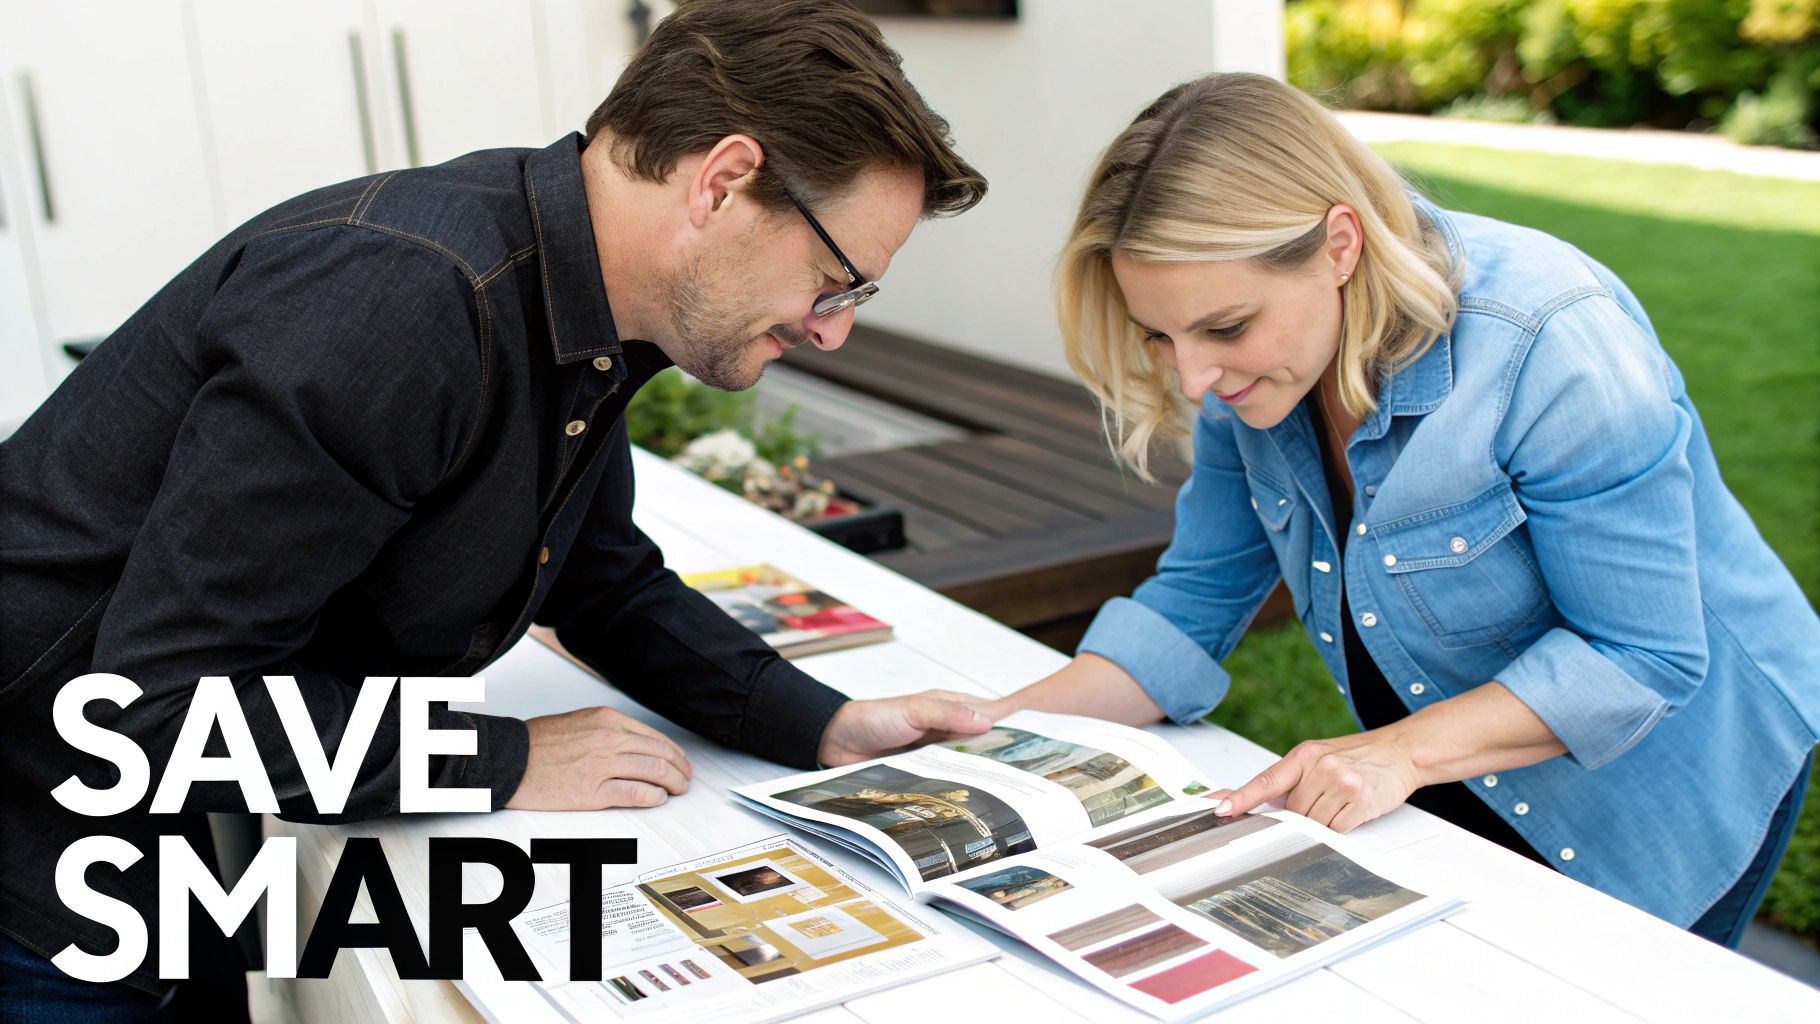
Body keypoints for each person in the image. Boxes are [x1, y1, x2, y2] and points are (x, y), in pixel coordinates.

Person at [0, 2, 993, 1017]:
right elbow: (153, 712)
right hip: (44, 841)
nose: (833, 334)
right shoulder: (401, 306)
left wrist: (822, 721)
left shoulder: (594, 300)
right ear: (723, 180)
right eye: (836, 282)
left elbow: (598, 575)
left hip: (185, 831)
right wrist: (502, 756)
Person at [985, 72, 1819, 947]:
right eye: (1160, 334)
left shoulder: (1550, 339)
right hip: (1446, 758)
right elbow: (1192, 606)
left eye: (1225, 328)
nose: (1194, 380)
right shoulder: (1258, 375)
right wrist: (990, 734)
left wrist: (1400, 753)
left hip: (1674, 780)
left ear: (1338, 244)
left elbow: (1640, 658)